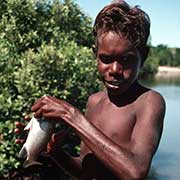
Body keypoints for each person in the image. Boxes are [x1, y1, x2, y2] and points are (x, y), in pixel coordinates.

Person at [15, 1, 166, 179]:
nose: (115, 69)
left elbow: (135, 172)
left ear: (144, 56)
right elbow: (85, 172)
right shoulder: (94, 101)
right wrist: (56, 153)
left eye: (126, 59)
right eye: (106, 58)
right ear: (95, 54)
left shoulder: (149, 101)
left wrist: (71, 115)